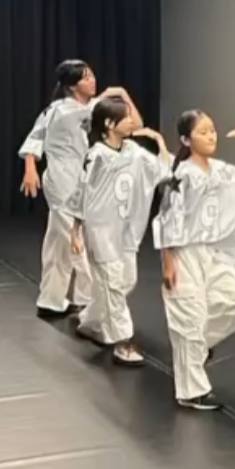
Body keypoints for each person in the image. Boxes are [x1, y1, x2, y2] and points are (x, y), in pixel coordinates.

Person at [153, 111, 235, 410]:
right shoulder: (182, 175)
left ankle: (200, 347)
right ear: (187, 139)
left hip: (215, 252)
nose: (212, 136)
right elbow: (168, 218)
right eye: (203, 132)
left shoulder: (220, 169)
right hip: (185, 250)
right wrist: (168, 261)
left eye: (213, 130)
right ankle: (191, 391)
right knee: (189, 316)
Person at [18, 61, 138, 317]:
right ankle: (87, 299)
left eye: (93, 75)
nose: (93, 81)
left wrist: (30, 165)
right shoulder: (63, 110)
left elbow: (123, 121)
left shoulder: (72, 109)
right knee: (76, 241)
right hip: (63, 179)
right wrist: (30, 166)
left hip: (78, 177)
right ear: (73, 86)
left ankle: (51, 299)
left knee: (58, 244)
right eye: (86, 78)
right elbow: (37, 136)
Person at [66, 95, 169, 365]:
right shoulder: (97, 156)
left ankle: (91, 320)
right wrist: (75, 231)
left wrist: (159, 142)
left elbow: (162, 170)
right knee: (112, 283)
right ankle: (123, 343)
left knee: (125, 281)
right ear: (110, 124)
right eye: (126, 117)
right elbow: (81, 192)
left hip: (126, 230)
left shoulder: (134, 151)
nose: (132, 120)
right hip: (101, 230)